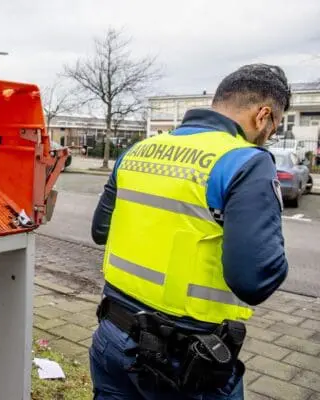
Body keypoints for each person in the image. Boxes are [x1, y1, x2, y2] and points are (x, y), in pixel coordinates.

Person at [90, 64, 291, 400]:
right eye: (274, 127)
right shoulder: (246, 162)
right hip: (185, 362)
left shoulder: (137, 151)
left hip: (113, 335)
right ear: (263, 116)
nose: (269, 136)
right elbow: (255, 280)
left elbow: (101, 231)